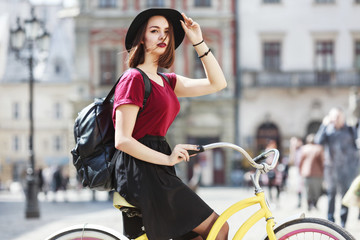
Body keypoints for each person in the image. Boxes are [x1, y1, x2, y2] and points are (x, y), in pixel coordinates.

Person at [112, 8, 228, 240]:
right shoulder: (133, 78)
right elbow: (122, 139)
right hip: (141, 172)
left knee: (196, 236)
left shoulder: (167, 81)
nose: (162, 36)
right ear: (142, 39)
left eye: (166, 31)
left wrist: (198, 42)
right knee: (218, 228)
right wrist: (166, 158)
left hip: (159, 169)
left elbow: (218, 83)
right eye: (154, 31)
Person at [315, 107, 360, 227]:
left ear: (343, 117)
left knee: (345, 196)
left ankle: (343, 222)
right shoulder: (328, 130)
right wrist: (323, 125)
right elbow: (318, 141)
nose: (335, 119)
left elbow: (357, 146)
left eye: (337, 117)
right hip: (331, 169)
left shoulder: (350, 130)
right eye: (333, 117)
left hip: (347, 169)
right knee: (331, 195)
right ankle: (330, 221)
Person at [298, 133, 324, 211]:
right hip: (317, 173)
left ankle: (309, 205)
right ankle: (315, 204)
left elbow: (300, 161)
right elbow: (322, 161)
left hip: (306, 173)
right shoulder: (319, 148)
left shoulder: (303, 148)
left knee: (307, 190)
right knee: (316, 191)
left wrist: (300, 170)